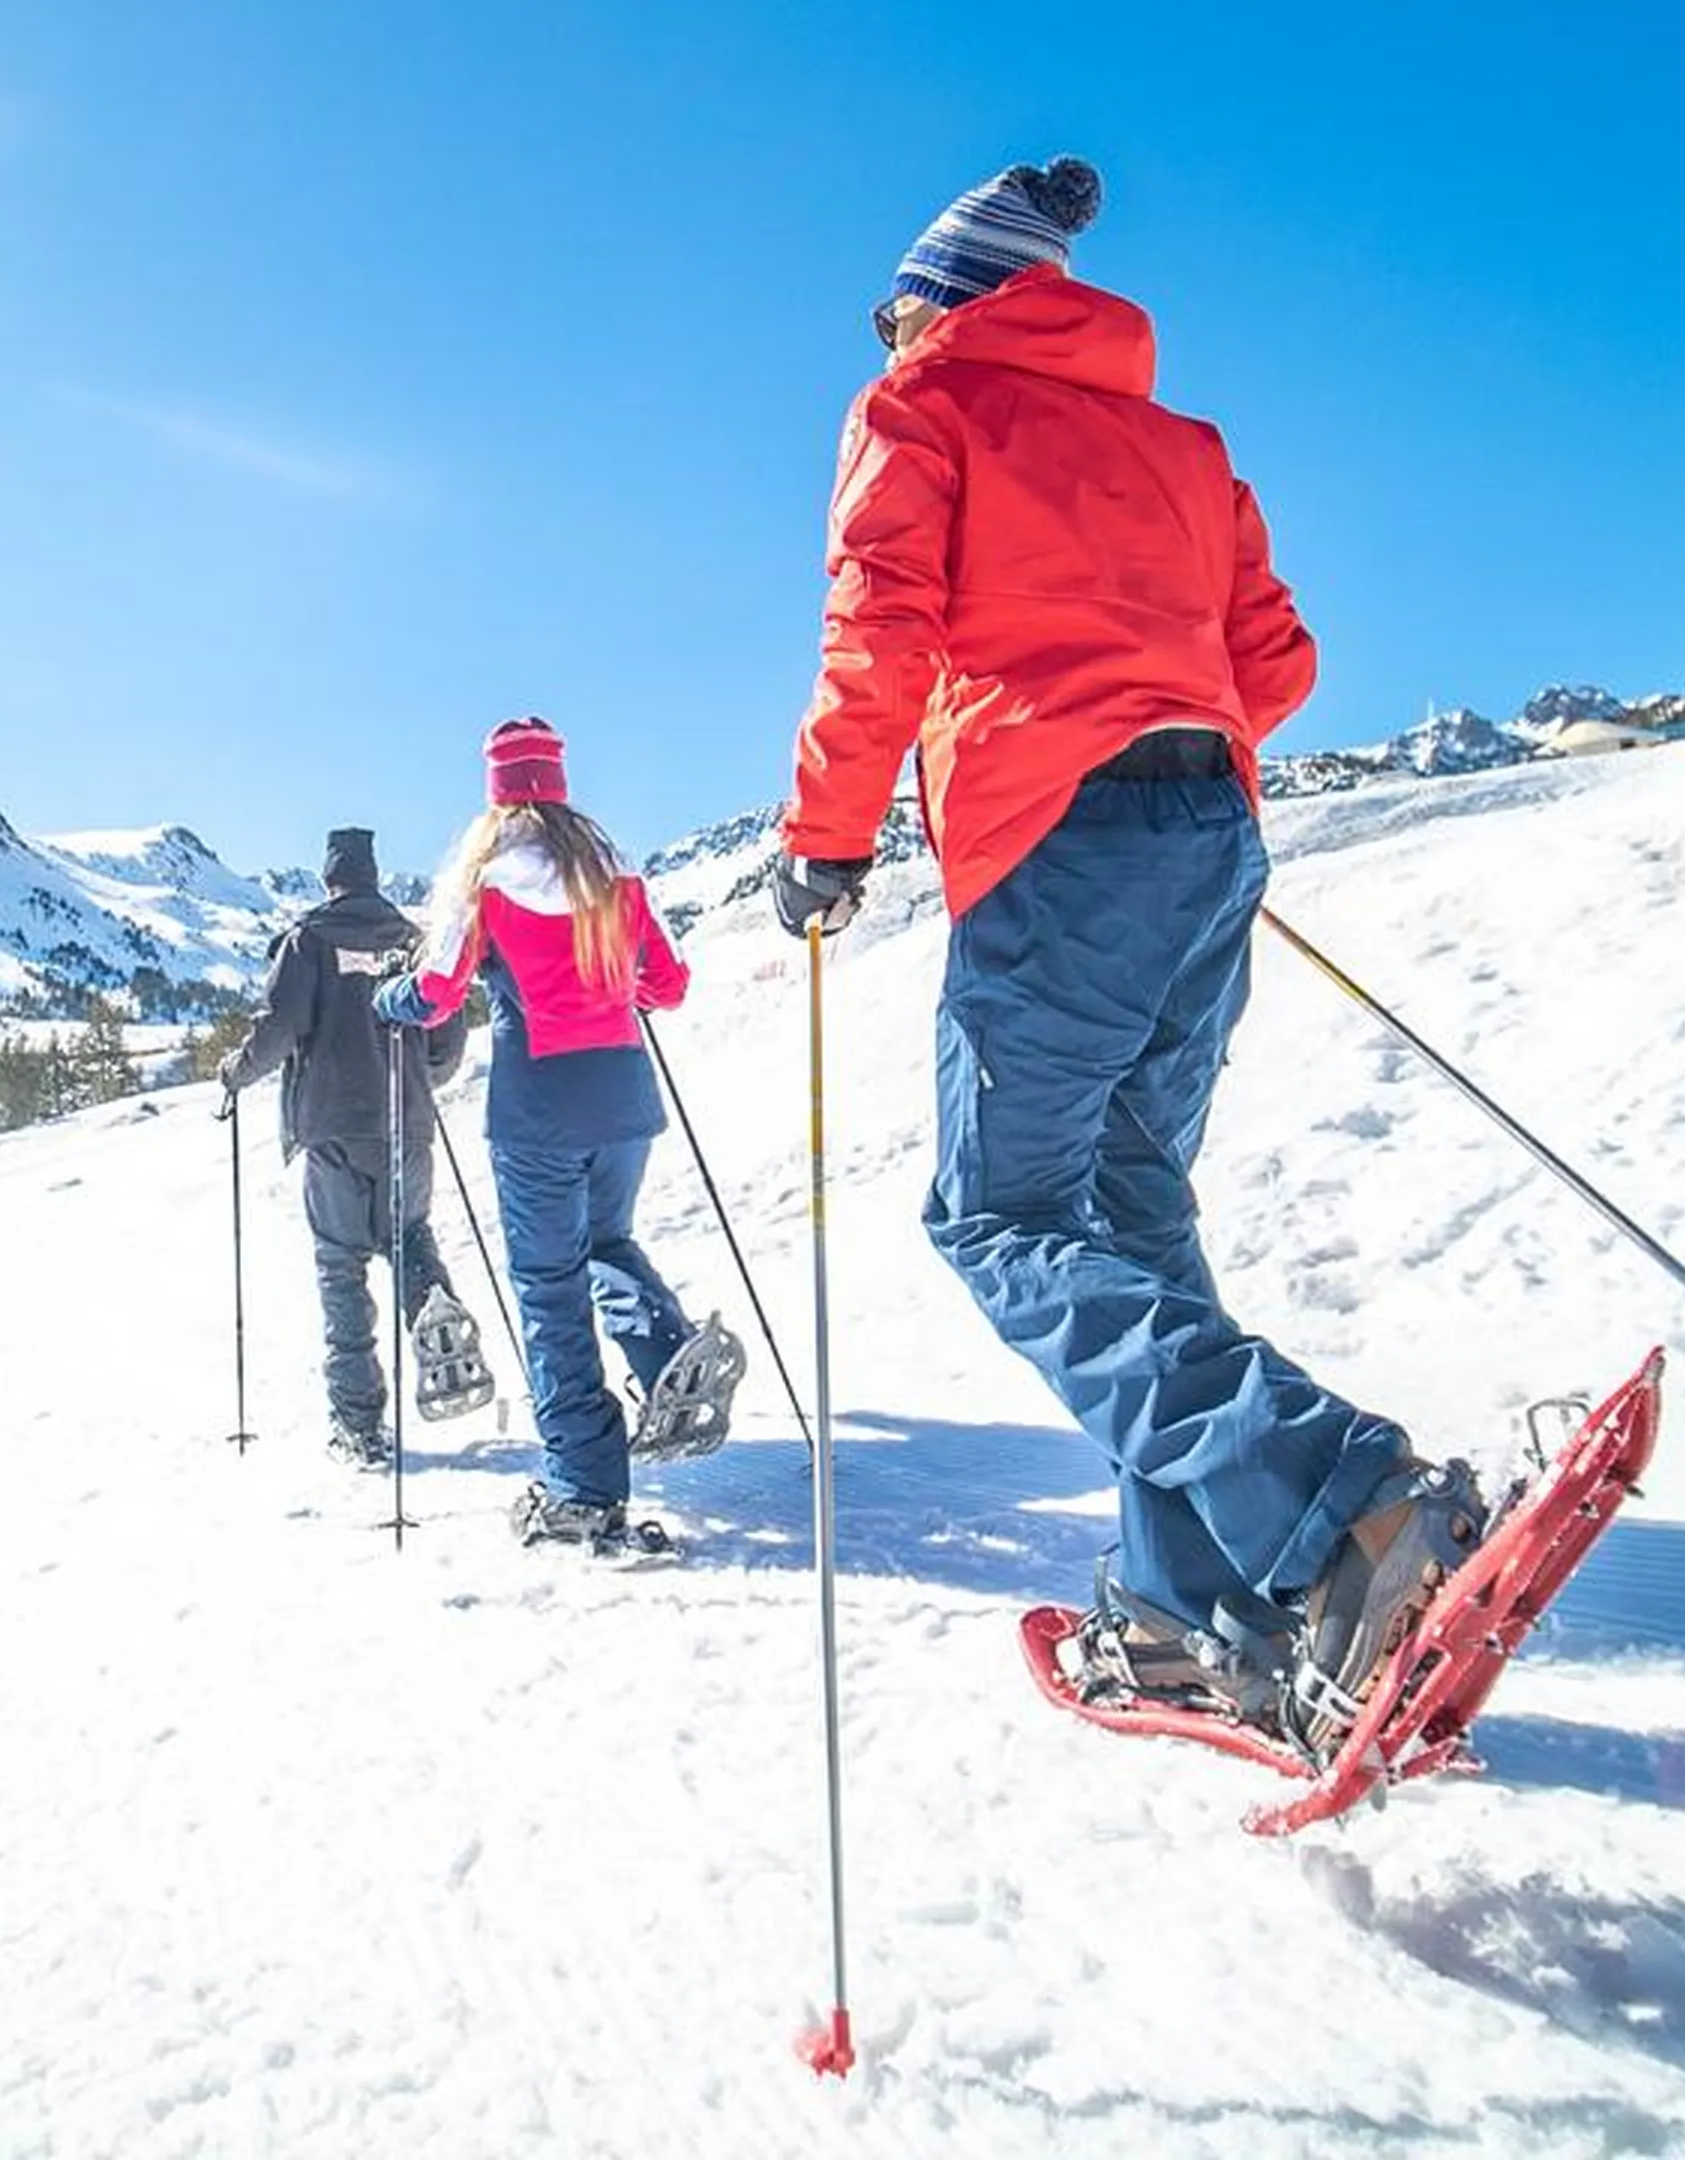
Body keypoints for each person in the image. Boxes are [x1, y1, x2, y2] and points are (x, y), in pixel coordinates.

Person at [766, 156, 1482, 1754]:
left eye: (894, 312)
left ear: (947, 302)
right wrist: (1164, 727)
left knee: (1005, 1215)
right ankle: (1188, 1611)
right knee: (1133, 1211)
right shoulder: (1187, 448)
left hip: (1056, 835)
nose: (887, 337)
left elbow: (878, 630)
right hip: (1207, 828)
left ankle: (1339, 1494)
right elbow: (1278, 661)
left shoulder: (921, 409)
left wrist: (828, 836)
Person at [374, 719, 746, 1551]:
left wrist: (386, 998)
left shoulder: (485, 880)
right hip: (624, 1100)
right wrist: (611, 987)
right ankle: (667, 1358)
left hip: (538, 1112)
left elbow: (434, 994)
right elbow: (668, 985)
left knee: (550, 1289)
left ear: (498, 793)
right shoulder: (614, 870)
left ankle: (582, 1487)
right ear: (559, 782)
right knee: (608, 1242)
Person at [219, 826, 478, 1464]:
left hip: (334, 1126)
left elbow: (278, 1029)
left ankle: (358, 1425)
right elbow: (447, 1037)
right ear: (374, 876)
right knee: (409, 1235)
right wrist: (418, 1076)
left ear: (329, 878)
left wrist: (235, 1073)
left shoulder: (308, 941)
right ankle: (437, 1312)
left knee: (341, 1267)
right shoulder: (413, 943)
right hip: (408, 1123)